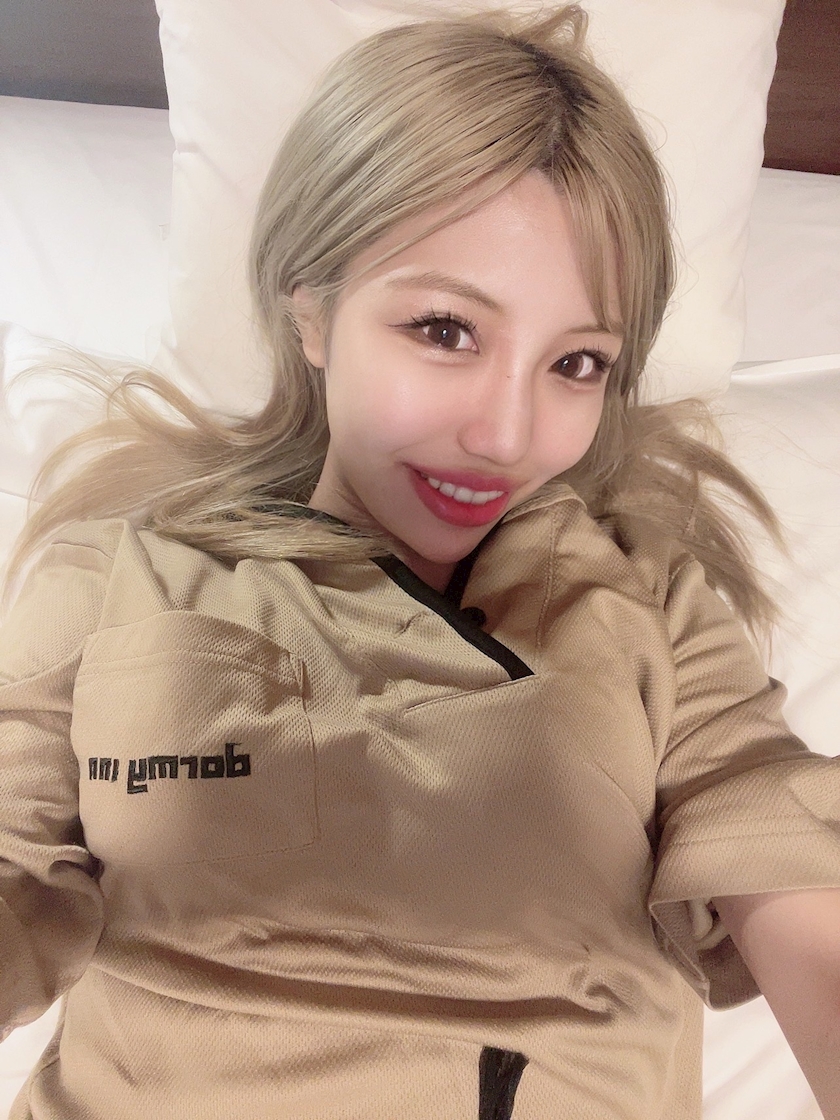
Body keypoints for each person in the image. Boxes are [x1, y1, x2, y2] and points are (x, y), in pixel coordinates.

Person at [1, 5, 839, 1119]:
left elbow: (774, 837)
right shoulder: (118, 572)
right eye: (446, 330)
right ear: (311, 310)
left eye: (578, 363)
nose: (506, 434)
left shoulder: (647, 599)